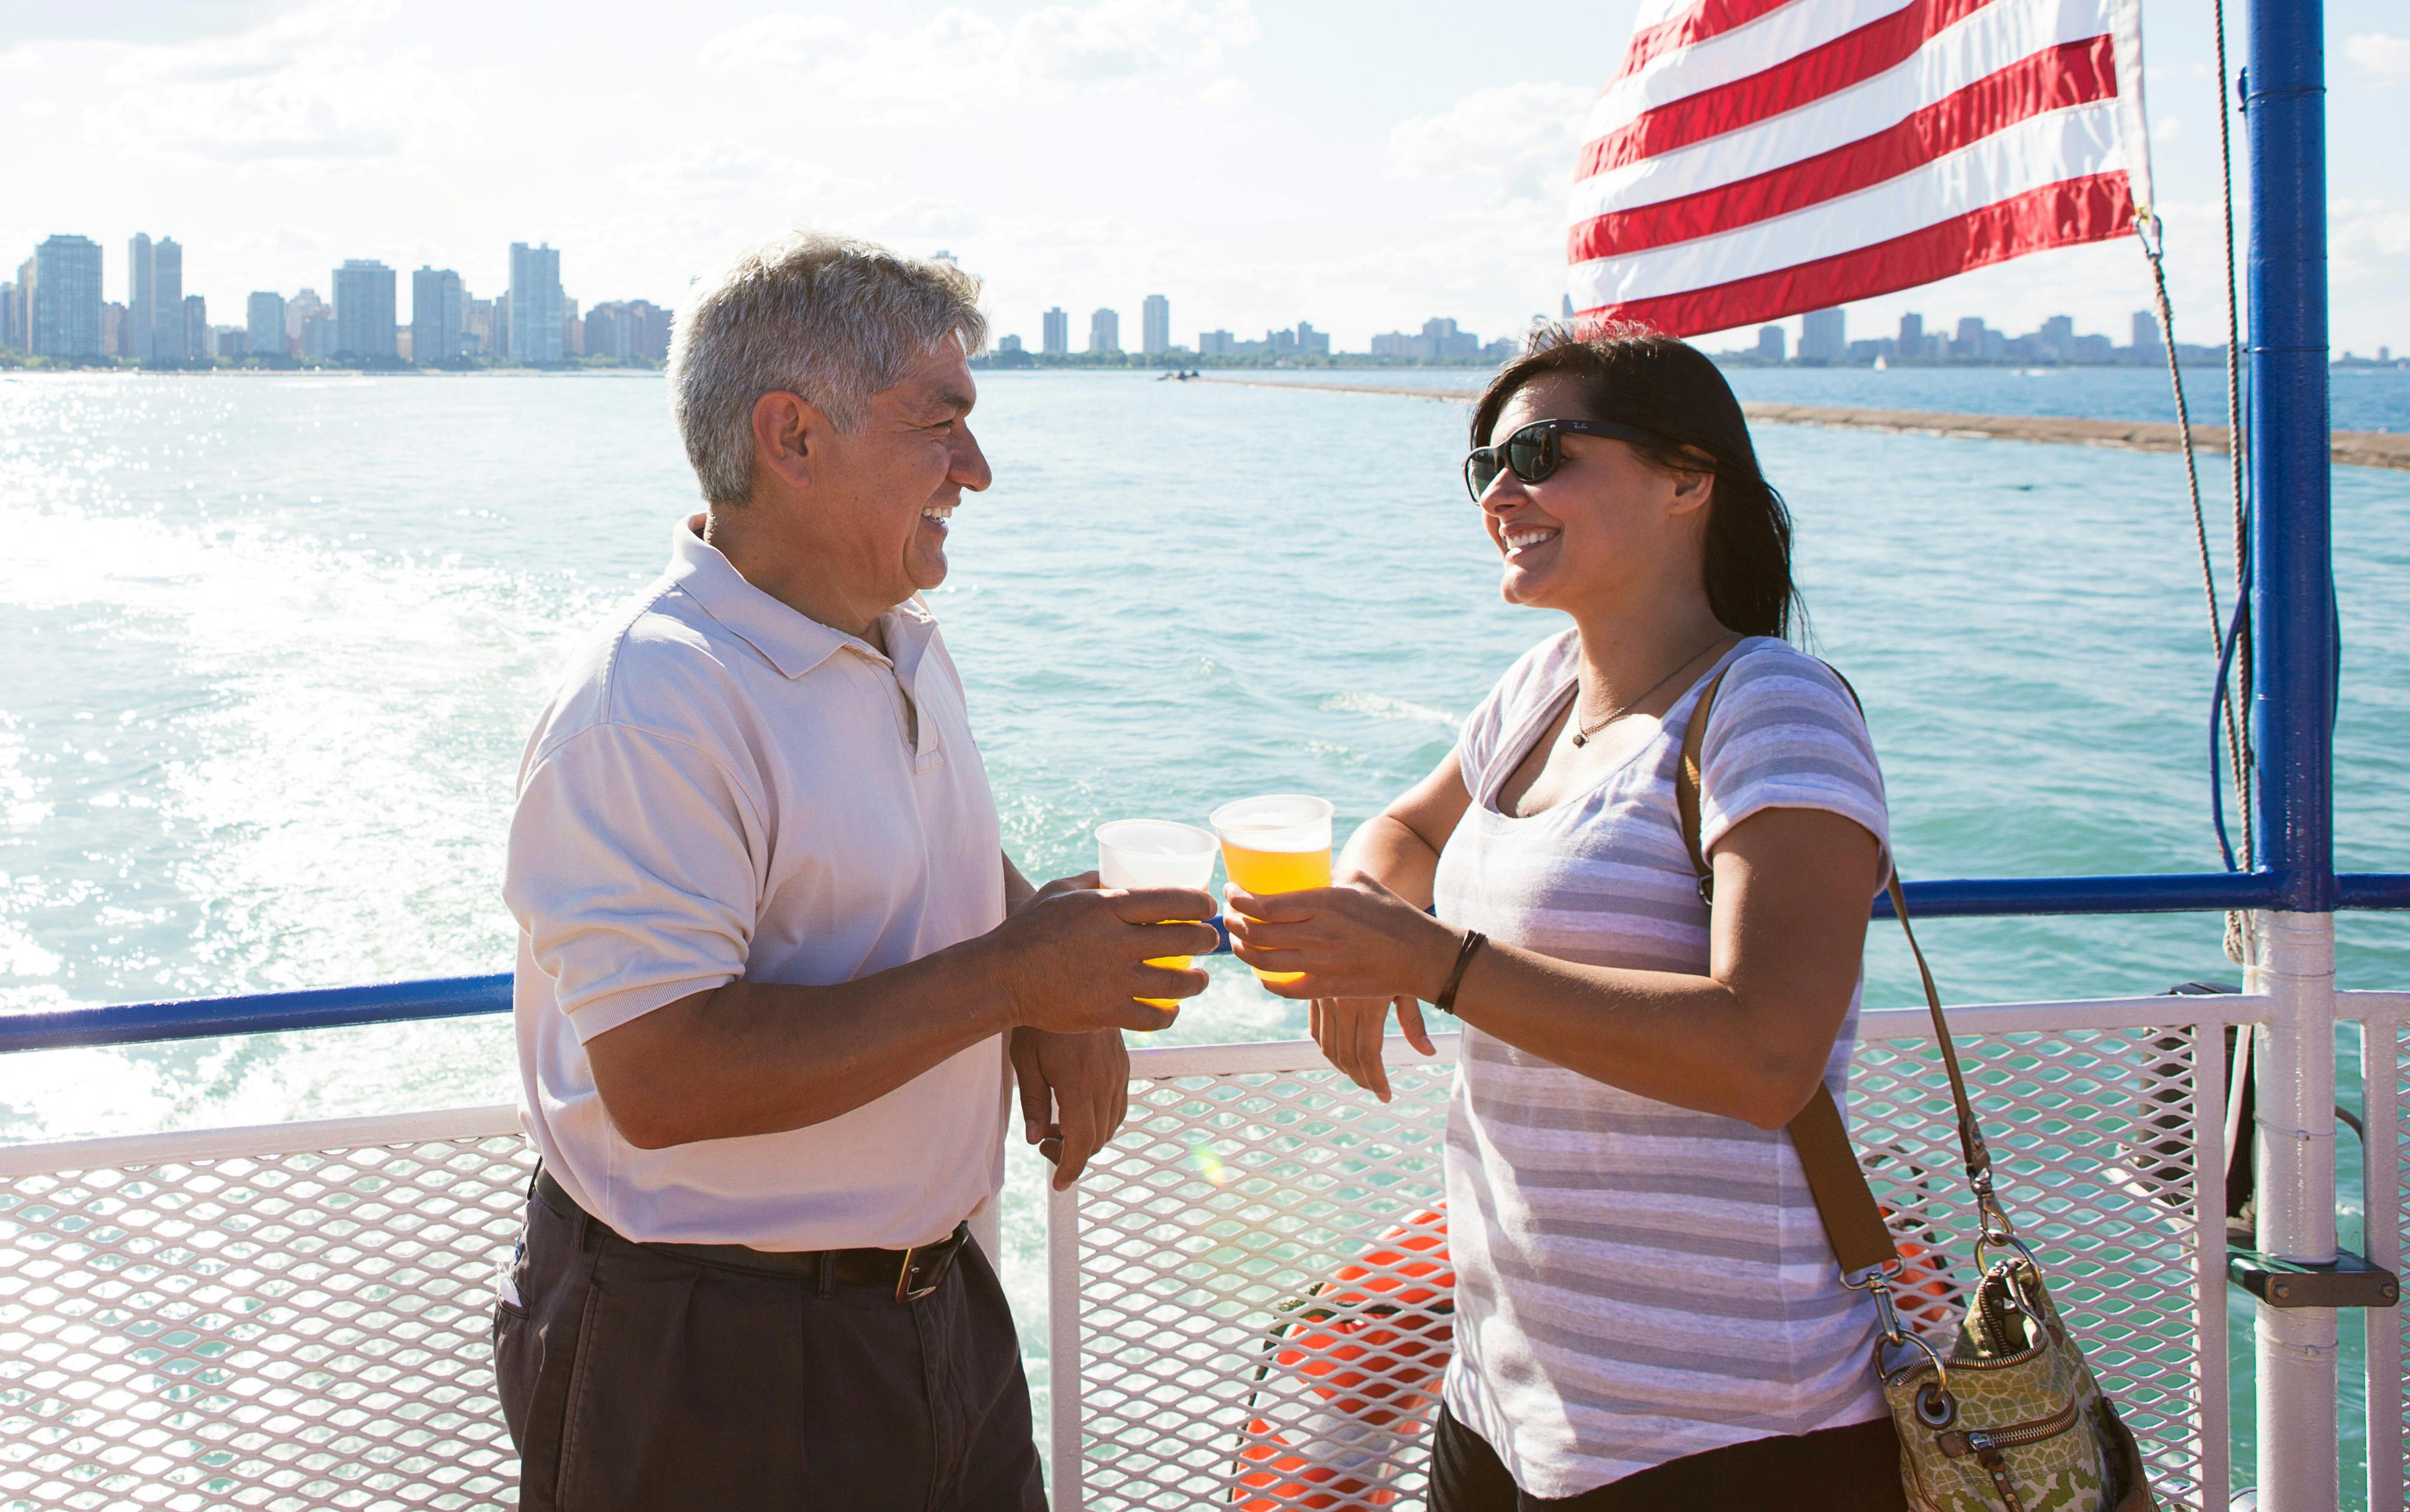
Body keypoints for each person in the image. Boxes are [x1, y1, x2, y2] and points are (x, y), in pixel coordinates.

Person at [497, 232, 1216, 1512]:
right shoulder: (651, 697)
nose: (976, 471)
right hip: (713, 1360)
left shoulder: (892, 637)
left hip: (933, 1315)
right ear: (792, 436)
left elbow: (918, 853)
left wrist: (1043, 979)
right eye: (939, 426)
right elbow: (661, 1076)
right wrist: (1008, 984)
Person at [1228, 324, 1900, 1510]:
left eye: (1538, 452)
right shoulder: (1536, 691)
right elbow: (1405, 832)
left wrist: (1434, 961)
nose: (1499, 492)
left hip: (1721, 1422)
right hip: (1500, 1395)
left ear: (1688, 478)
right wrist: (1369, 935)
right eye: (1481, 464)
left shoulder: (1771, 711)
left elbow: (1767, 1052)